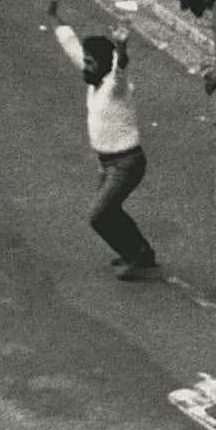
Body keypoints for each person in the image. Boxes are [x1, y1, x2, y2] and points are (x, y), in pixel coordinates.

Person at [54, 22, 157, 280]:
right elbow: (72, 48)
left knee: (98, 216)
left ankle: (135, 255)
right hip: (107, 163)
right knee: (112, 211)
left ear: (103, 64)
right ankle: (142, 251)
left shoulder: (115, 87)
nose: (85, 66)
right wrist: (55, 16)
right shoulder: (94, 80)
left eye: (90, 62)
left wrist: (121, 47)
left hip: (126, 163)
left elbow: (121, 67)